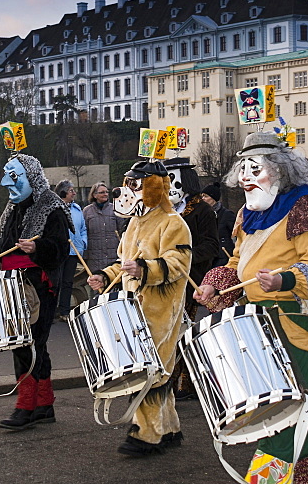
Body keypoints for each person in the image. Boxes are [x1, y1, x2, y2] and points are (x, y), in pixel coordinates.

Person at [194, 132, 308, 484]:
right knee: (292, 400)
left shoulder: (306, 208)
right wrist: (215, 284)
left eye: (255, 169)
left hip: (295, 318)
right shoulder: (249, 213)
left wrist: (284, 280)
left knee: (284, 405)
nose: (246, 178)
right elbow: (239, 262)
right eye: (243, 169)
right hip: (259, 320)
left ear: (281, 171)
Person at [86, 160, 191, 457]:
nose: (127, 191)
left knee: (150, 373)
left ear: (152, 188)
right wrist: (106, 276)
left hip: (161, 308)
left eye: (135, 184)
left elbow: (178, 265)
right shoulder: (134, 223)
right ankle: (168, 428)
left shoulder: (173, 223)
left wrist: (145, 269)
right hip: (135, 308)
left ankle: (147, 434)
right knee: (157, 371)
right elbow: (126, 262)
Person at [0, 153, 72, 430]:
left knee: (28, 345)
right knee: (28, 345)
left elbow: (61, 249)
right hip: (11, 283)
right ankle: (44, 405)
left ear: (31, 177)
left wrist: (37, 248)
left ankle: (27, 405)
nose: (5, 181)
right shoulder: (12, 208)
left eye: (13, 175)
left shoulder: (52, 207)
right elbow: (3, 241)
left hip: (38, 285)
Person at [165, 157, 221, 399]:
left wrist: (186, 256)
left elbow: (211, 246)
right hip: (163, 279)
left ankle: (184, 384)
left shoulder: (203, 210)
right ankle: (167, 381)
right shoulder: (162, 210)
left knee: (182, 332)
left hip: (189, 281)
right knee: (166, 334)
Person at [54, 179, 87, 320]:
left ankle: (64, 311)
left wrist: (83, 243)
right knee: (55, 282)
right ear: (63, 192)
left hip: (73, 251)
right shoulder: (54, 208)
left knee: (68, 282)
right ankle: (51, 311)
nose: (74, 193)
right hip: (58, 251)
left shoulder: (77, 209)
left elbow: (83, 228)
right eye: (71, 190)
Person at [82, 182, 124, 280]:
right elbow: (84, 232)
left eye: (106, 192)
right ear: (94, 195)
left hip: (113, 254)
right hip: (94, 257)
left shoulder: (115, 208)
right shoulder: (87, 211)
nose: (105, 194)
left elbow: (122, 229)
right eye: (101, 192)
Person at [201, 182, 236, 257]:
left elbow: (237, 234)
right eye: (202, 196)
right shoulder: (202, 215)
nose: (203, 199)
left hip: (223, 255)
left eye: (206, 196)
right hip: (208, 255)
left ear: (214, 198)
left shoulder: (227, 214)